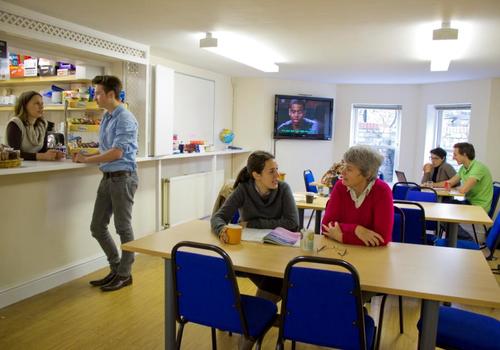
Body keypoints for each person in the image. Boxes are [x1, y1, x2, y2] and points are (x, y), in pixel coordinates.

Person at [73, 75, 139, 292]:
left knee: (123, 227)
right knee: (97, 226)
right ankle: (116, 268)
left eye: (99, 93)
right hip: (108, 177)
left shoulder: (125, 118)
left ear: (112, 94)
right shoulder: (107, 116)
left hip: (123, 178)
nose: (96, 97)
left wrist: (87, 160)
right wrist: (85, 154)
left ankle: (125, 273)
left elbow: (117, 152)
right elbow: (105, 150)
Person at [211, 150, 299, 302]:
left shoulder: (284, 189)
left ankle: (248, 319)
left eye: (277, 169)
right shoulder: (243, 190)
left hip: (278, 252)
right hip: (251, 252)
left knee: (280, 282)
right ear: (256, 175)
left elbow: (292, 223)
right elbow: (218, 217)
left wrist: (253, 224)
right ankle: (258, 318)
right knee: (281, 283)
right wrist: (221, 229)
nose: (277, 175)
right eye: (271, 171)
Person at [322, 145, 393, 246]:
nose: (342, 172)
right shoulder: (340, 186)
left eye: (349, 169)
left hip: (371, 256)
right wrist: (356, 229)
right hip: (340, 252)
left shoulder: (382, 191)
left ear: (367, 174)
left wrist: (342, 237)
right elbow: (326, 226)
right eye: (344, 166)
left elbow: (382, 238)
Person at [5, 91, 64, 161]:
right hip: (17, 168)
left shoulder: (43, 124)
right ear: (25, 106)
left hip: (35, 167)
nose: (41, 106)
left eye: (42, 103)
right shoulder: (15, 124)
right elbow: (14, 154)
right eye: (37, 103)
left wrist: (54, 154)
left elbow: (43, 151)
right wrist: (42, 156)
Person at [434, 142, 493, 213]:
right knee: (447, 203)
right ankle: (443, 224)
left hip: (479, 207)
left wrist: (456, 187)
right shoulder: (463, 168)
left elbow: (463, 190)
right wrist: (431, 185)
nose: (453, 158)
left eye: (455, 155)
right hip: (469, 202)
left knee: (448, 206)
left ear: (464, 154)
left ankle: (443, 224)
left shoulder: (478, 168)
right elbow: (449, 182)